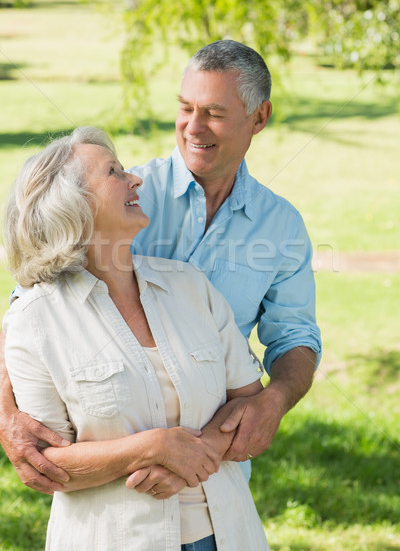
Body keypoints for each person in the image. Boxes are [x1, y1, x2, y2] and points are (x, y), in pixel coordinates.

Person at [0, 39, 321, 495]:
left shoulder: (281, 226)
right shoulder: (124, 198)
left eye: (214, 112)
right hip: (114, 479)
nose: (194, 126)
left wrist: (275, 400)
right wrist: (5, 413)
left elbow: (295, 337)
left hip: (217, 475)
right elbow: (31, 305)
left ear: (259, 117)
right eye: (186, 107)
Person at [2, 126, 270, 551]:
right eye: (114, 172)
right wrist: (152, 447)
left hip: (228, 534)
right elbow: (46, 464)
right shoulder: (35, 321)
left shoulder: (189, 286)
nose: (135, 179)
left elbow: (249, 400)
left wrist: (190, 457)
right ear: (74, 207)